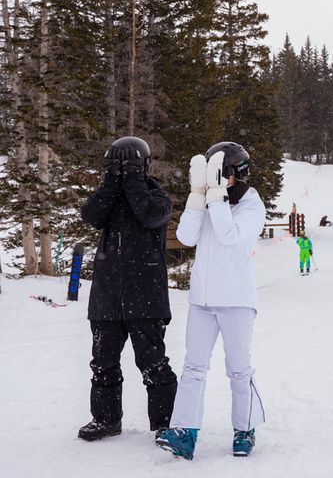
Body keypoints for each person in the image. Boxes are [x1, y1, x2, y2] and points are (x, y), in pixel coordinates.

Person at [156, 142, 266, 460]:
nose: (215, 179)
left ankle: (244, 428)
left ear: (234, 173)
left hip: (236, 299)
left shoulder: (251, 204)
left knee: (238, 369)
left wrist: (215, 198)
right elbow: (188, 237)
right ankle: (184, 432)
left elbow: (229, 234)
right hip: (202, 300)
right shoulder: (207, 202)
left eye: (220, 174)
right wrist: (196, 198)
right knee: (193, 367)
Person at [78, 136, 177, 442]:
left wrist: (134, 179)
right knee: (103, 361)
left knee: (153, 363)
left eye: (129, 165)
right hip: (107, 294)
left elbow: (149, 214)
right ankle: (106, 419)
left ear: (144, 167)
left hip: (145, 295)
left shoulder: (156, 196)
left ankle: (164, 423)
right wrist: (111, 182)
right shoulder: (109, 198)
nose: (122, 172)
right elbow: (91, 215)